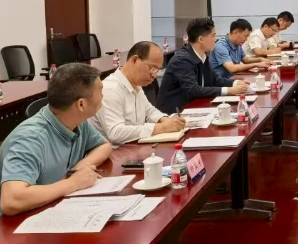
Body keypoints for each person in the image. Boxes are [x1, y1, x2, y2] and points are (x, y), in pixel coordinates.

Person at [0, 63, 113, 216]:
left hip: (52, 208)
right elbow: (11, 201)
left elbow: (104, 146)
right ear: (81, 104)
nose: (103, 96)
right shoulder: (31, 139)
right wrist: (73, 183)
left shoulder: (77, 121)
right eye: (100, 91)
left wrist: (79, 168)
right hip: (16, 223)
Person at [91, 41, 186, 146]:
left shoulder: (135, 84)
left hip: (134, 147)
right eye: (152, 68)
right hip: (116, 151)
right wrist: (161, 127)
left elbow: (149, 111)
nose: (154, 75)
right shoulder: (110, 89)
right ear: (134, 60)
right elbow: (115, 133)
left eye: (157, 70)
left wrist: (166, 120)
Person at [157, 17, 250, 114]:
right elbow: (193, 90)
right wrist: (229, 90)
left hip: (195, 108)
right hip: (175, 114)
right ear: (201, 39)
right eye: (213, 36)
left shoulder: (203, 55)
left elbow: (215, 80)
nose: (215, 40)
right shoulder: (182, 60)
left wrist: (236, 83)